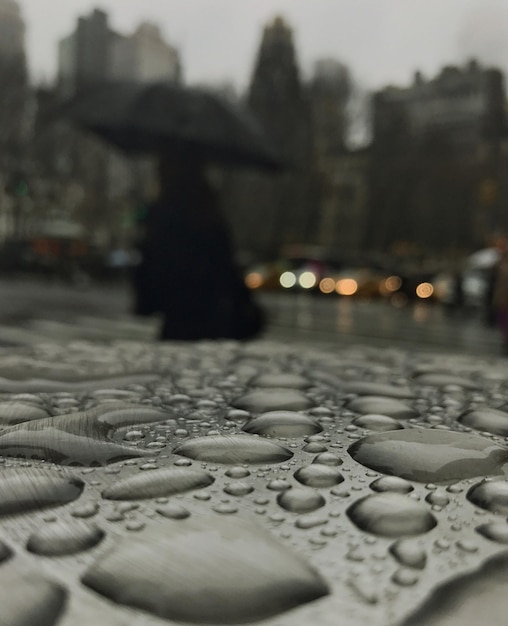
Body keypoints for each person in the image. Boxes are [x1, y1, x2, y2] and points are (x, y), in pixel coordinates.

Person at [132, 151, 264, 341]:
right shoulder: (210, 216)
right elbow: (227, 270)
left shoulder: (162, 217)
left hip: (179, 317)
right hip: (214, 318)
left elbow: (154, 271)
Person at [492, 247, 508, 354]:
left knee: (504, 319)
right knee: (502, 318)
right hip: (501, 298)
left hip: (503, 298)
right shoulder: (501, 266)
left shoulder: (504, 268)